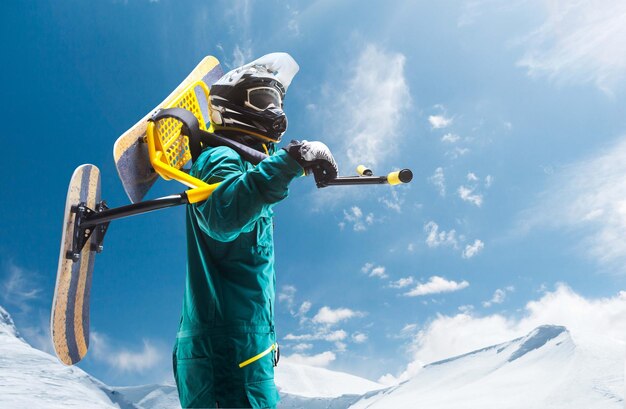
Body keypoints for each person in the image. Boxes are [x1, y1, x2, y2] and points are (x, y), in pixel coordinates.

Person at [173, 53, 338, 409]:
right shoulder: (220, 159)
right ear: (231, 106)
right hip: (227, 350)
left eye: (277, 101)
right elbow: (222, 216)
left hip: (245, 347)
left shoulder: (242, 165)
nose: (275, 112)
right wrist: (290, 162)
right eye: (263, 100)